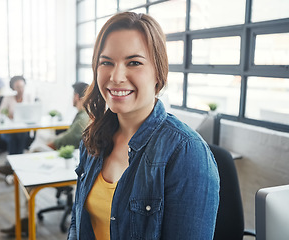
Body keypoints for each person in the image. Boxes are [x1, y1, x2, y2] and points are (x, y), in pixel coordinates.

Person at [68, 12, 220, 240]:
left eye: (134, 63)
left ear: (158, 73)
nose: (116, 76)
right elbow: (77, 224)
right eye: (106, 62)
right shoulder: (93, 138)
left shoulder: (187, 153)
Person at [0, 82, 89, 237]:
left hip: (70, 161)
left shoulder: (83, 117)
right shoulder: (84, 114)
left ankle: (14, 170)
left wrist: (51, 143)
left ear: (76, 96)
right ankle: (14, 169)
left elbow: (68, 138)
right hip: (70, 157)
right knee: (35, 150)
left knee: (36, 150)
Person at [0, 76, 33, 175]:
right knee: (13, 137)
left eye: (22, 86)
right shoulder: (8, 98)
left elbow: (32, 113)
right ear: (13, 88)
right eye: (18, 87)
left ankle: (11, 166)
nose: (21, 89)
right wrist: (6, 115)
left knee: (21, 134)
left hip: (23, 130)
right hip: (8, 130)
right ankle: (15, 166)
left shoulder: (29, 97)